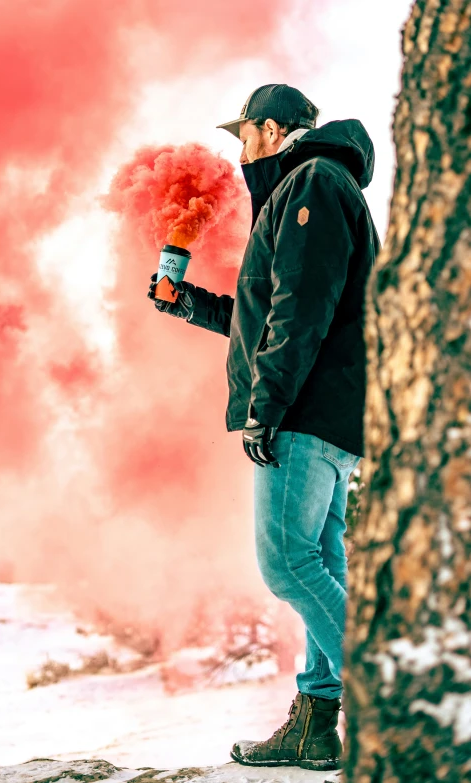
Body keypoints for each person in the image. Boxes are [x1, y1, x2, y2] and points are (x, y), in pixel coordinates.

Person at [148, 83, 380, 772]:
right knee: (322, 561)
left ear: (272, 130)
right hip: (329, 411)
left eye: (244, 132)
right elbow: (268, 316)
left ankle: (398, 688)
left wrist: (267, 407)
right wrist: (187, 303)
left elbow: (300, 313)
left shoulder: (311, 182)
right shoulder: (311, 188)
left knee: (287, 562)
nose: (239, 147)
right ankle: (314, 725)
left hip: (306, 411)